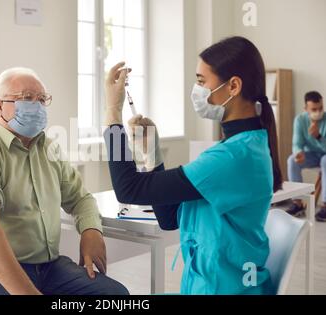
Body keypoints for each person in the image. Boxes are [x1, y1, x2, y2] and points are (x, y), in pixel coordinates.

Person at [103, 36, 282, 295]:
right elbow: (168, 218)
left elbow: (129, 189)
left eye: (201, 81)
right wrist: (151, 150)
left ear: (233, 86)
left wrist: (112, 113)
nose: (196, 90)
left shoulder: (232, 157)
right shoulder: (244, 146)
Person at [0, 67, 129, 295]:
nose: (37, 105)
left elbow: (80, 198)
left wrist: (91, 231)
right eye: (26, 98)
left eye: (42, 99)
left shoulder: (49, 149)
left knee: (114, 296)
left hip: (45, 265)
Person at [287, 91, 326, 222]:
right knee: (292, 160)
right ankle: (297, 202)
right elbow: (297, 143)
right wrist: (298, 153)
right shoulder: (300, 120)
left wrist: (319, 137)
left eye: (321, 108)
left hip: (325, 156)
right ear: (306, 109)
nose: (318, 112)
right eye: (314, 109)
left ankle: (325, 205)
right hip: (312, 156)